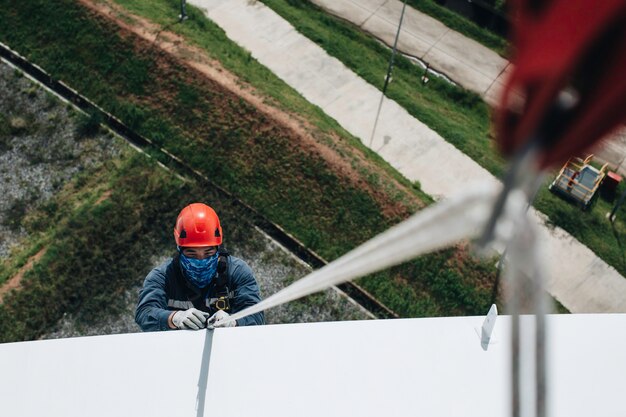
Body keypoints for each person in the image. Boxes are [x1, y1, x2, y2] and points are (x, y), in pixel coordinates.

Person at [135, 203, 264, 331]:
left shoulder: (237, 272)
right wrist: (174, 318)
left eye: (208, 253)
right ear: (179, 249)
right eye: (192, 254)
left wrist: (233, 322)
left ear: (218, 248)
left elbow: (256, 315)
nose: (201, 260)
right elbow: (144, 313)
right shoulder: (163, 277)